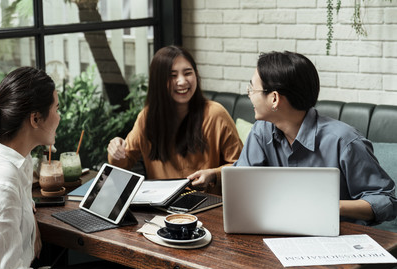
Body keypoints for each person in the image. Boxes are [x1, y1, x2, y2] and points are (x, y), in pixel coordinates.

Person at [0, 67, 134, 269]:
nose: (59, 117)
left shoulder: (14, 157)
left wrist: (30, 221)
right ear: (35, 119)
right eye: (56, 109)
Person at [234, 51, 397, 225]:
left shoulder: (345, 141)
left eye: (252, 89)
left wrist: (331, 206)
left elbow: (386, 201)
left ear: (274, 98)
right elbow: (241, 183)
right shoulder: (261, 131)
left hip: (337, 239)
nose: (249, 95)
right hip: (275, 231)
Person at [107, 45, 243, 193]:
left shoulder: (216, 114)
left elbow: (242, 166)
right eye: (172, 75)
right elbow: (123, 164)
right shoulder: (147, 117)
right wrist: (116, 151)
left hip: (207, 207)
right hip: (161, 207)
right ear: (158, 81)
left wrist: (213, 175)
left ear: (196, 75)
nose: (182, 81)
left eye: (187, 73)